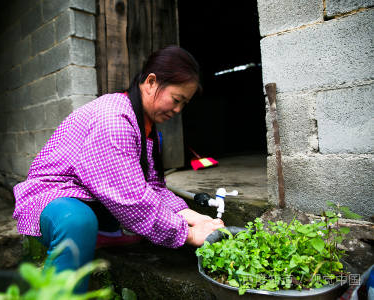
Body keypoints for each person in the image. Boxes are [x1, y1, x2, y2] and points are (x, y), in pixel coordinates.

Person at [12, 45, 225, 293]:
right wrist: (187, 235)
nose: (178, 110)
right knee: (78, 222)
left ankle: (103, 232)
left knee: (141, 226)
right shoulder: (114, 119)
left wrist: (193, 216)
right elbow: (131, 198)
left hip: (91, 198)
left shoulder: (149, 131)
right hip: (54, 198)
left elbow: (153, 187)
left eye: (184, 104)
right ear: (151, 82)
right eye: (176, 99)